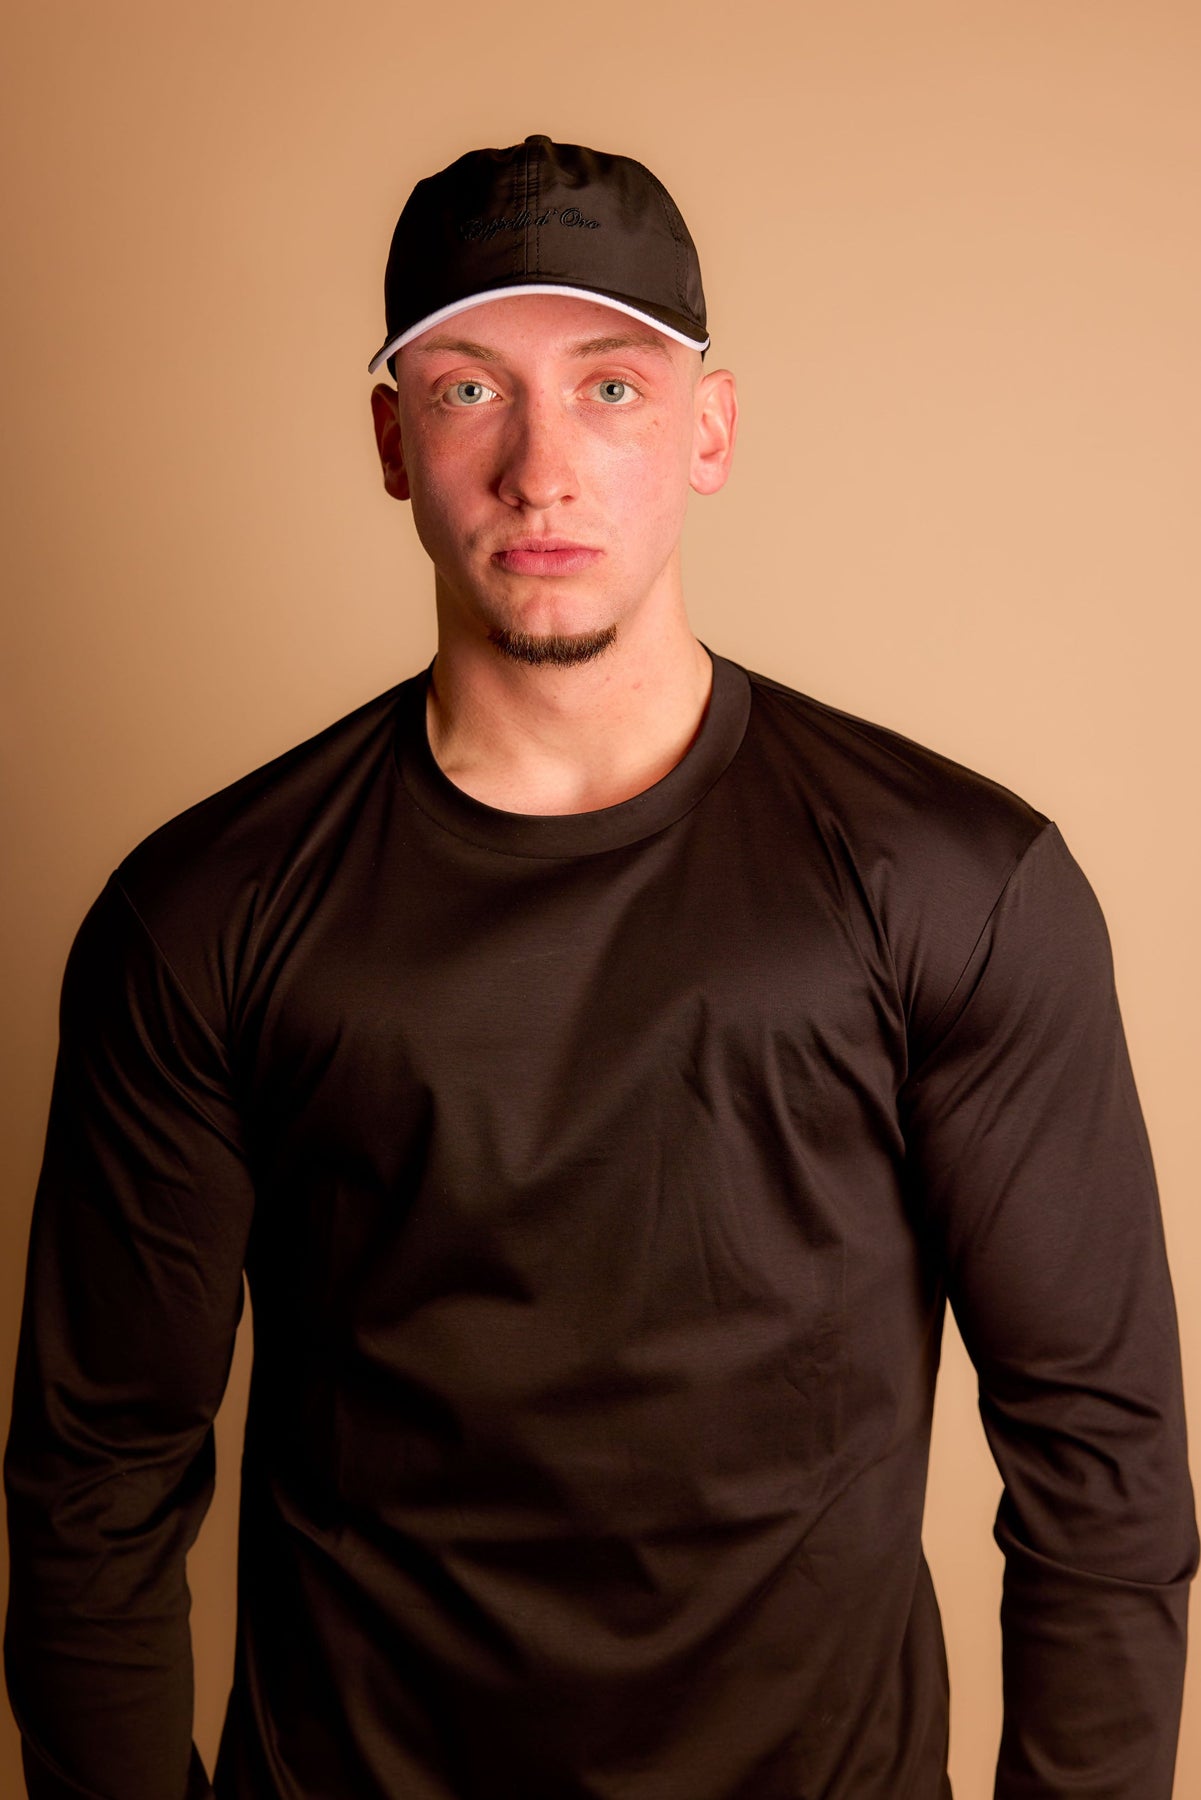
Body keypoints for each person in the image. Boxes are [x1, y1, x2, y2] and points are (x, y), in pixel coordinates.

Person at [4, 133, 1196, 1800]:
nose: (539, 469)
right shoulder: (205, 912)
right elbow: (97, 1481)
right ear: (392, 441)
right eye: (468, 390)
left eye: (612, 388)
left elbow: (1098, 1458)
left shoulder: (954, 882)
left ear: (708, 429)